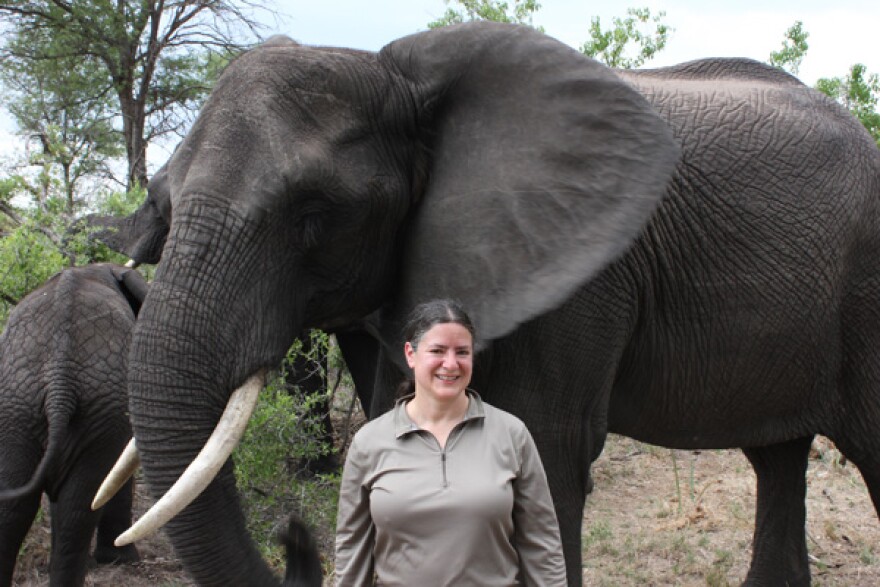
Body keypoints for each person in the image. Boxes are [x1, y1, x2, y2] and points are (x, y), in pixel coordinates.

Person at [334, 299, 567, 586]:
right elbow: (351, 552)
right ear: (410, 354)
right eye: (437, 351)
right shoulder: (369, 442)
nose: (451, 363)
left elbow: (542, 545)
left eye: (462, 352)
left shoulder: (511, 434)